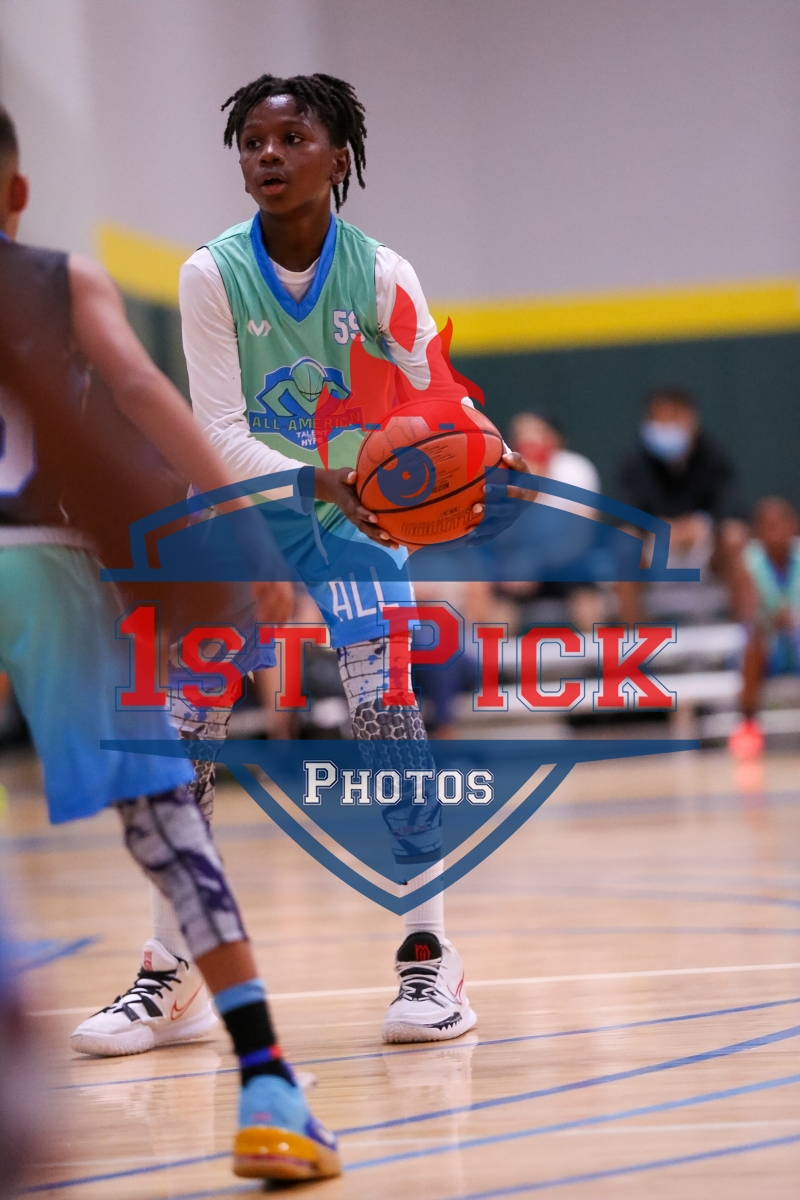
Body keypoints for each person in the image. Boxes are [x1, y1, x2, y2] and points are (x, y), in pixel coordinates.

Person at [78, 72, 527, 1052]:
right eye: (252, 141)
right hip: (245, 515)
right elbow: (214, 433)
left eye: (290, 138)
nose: (268, 155)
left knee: (383, 713)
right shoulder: (210, 274)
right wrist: (329, 478)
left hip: (354, 525)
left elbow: (437, 395)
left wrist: (487, 452)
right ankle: (173, 969)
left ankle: (430, 956)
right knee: (185, 736)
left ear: (338, 157)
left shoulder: (382, 274)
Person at [0, 105, 339, 1182]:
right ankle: (269, 1084)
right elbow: (143, 394)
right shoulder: (61, 279)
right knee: (164, 818)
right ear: (18, 193)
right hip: (41, 559)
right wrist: (246, 531)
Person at [615, 387, 745, 624]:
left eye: (671, 418)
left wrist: (700, 525)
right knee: (625, 544)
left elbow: (730, 507)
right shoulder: (634, 462)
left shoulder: (714, 456)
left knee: (734, 537)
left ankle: (745, 634)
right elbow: (625, 513)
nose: (664, 426)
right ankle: (635, 639)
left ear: (690, 418)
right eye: (657, 419)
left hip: (704, 549)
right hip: (656, 551)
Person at [728, 497, 800, 760]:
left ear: (793, 526)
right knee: (753, 647)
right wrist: (772, 618)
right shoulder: (748, 563)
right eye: (767, 526)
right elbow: (747, 613)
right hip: (767, 645)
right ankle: (748, 725)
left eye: (779, 524)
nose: (774, 532)